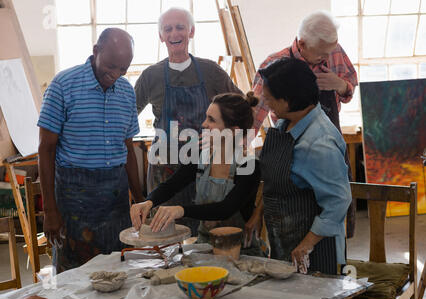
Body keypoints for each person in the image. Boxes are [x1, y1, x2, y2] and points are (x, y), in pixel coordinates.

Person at [37, 28, 143, 273]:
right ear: (96, 51)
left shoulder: (127, 92)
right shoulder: (63, 85)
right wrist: (50, 211)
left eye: (123, 70)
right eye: (111, 66)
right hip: (74, 200)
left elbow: (128, 149)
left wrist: (139, 200)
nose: (116, 75)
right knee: (74, 277)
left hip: (116, 200)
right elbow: (45, 150)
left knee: (117, 271)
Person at [134, 7, 242, 236]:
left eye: (180, 27)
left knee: (204, 237)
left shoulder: (210, 70)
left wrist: (229, 147)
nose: (174, 34)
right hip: (165, 173)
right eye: (168, 29)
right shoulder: (151, 76)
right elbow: (125, 117)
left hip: (205, 171)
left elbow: (241, 109)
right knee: (166, 238)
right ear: (161, 36)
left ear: (191, 32)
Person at [252, 10, 358, 238]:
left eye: (329, 52)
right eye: (320, 54)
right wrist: (232, 147)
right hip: (290, 151)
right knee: (293, 221)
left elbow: (350, 88)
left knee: (333, 214)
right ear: (301, 43)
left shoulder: (334, 51)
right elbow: (256, 113)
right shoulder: (274, 65)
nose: (325, 58)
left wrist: (339, 84)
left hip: (328, 145)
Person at [130, 92, 266, 257]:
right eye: (206, 117)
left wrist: (181, 210)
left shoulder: (248, 165)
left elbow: (226, 209)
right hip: (205, 245)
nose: (203, 124)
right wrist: (148, 202)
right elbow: (172, 184)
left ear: (233, 131)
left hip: (239, 250)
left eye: (211, 120)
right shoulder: (202, 155)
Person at [258, 58, 351, 275]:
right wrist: (257, 216)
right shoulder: (287, 122)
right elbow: (276, 183)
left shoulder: (319, 144)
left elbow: (339, 201)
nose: (266, 101)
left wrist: (306, 244)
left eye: (270, 98)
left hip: (315, 251)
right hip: (284, 237)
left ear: (288, 101)